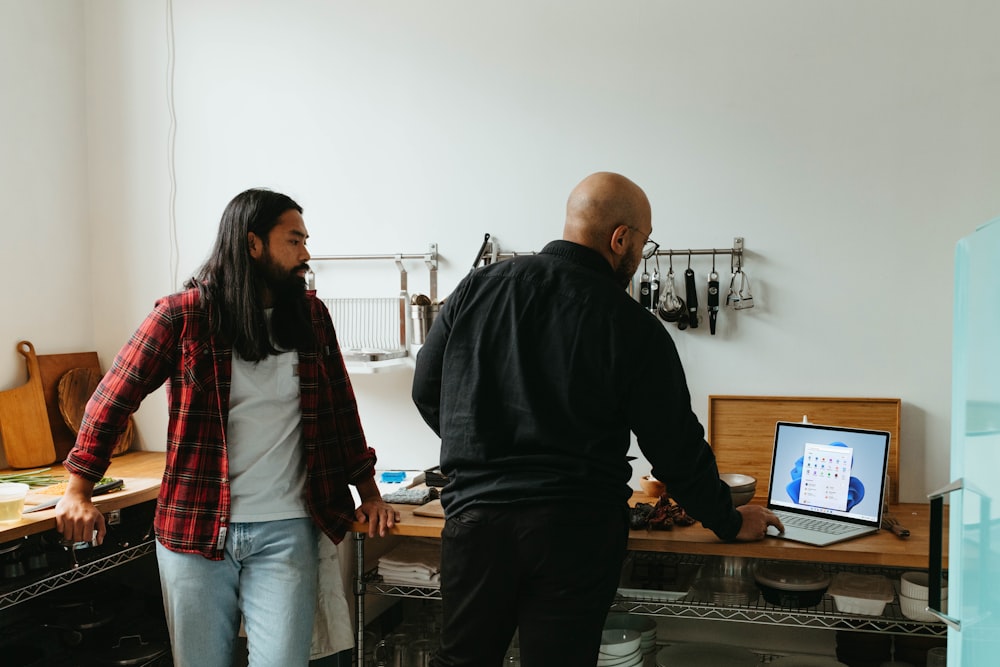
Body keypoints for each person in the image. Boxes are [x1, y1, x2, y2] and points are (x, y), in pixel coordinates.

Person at [411, 172, 783, 667]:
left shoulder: (474, 290)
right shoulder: (630, 325)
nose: (639, 255)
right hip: (575, 531)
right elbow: (675, 448)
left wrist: (482, 449)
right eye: (644, 243)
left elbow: (426, 391)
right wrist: (728, 520)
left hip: (477, 523)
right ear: (620, 238)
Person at [56, 188, 398, 667]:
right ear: (252, 243)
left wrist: (370, 491)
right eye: (294, 240)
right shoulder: (183, 315)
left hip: (287, 529)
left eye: (305, 240)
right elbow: (112, 398)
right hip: (194, 530)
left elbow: (341, 410)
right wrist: (78, 489)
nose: (306, 253)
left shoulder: (312, 317)